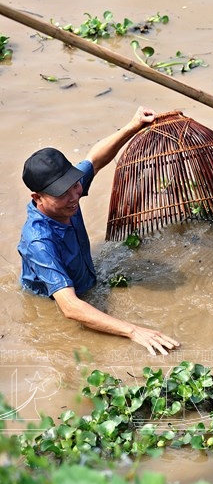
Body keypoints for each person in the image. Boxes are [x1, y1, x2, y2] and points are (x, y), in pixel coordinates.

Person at [17, 106, 180, 356]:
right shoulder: (39, 241)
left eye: (74, 186)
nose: (74, 196)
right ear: (37, 197)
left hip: (84, 279)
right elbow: (70, 308)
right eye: (62, 193)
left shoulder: (70, 189)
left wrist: (133, 126)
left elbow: (95, 159)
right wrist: (133, 331)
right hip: (50, 300)